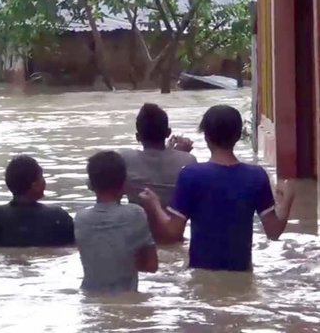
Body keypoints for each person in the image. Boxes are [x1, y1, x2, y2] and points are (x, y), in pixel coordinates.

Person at [139, 105, 295, 271]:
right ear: (238, 135)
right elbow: (274, 233)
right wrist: (287, 200)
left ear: (206, 137)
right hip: (242, 273)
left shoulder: (191, 175)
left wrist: (154, 205)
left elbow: (172, 232)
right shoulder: (256, 176)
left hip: (201, 275)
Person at [74, 151, 158, 294]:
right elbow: (151, 266)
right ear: (124, 184)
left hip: (89, 297)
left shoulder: (80, 218)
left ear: (90, 185)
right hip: (126, 298)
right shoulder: (135, 214)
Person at [119, 103, 197, 244]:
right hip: (174, 240)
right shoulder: (187, 160)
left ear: (137, 136)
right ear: (168, 133)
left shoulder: (124, 159)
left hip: (139, 241)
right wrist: (177, 152)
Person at [0, 155, 75, 247]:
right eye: (41, 177)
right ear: (35, 185)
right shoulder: (57, 216)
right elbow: (76, 245)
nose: (44, 181)